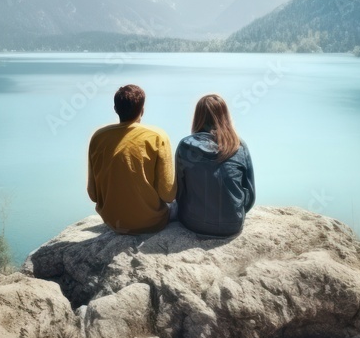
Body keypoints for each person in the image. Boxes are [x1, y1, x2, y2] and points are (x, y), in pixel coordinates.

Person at [87, 84, 176, 234]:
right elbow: (168, 194)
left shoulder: (98, 137)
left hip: (113, 222)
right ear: (142, 109)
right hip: (152, 222)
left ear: (115, 109)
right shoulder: (157, 136)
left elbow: (93, 194)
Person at [175, 93, 255, 237]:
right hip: (232, 225)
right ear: (225, 116)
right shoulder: (239, 145)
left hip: (193, 222)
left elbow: (179, 190)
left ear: (198, 117)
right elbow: (250, 193)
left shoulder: (185, 146)